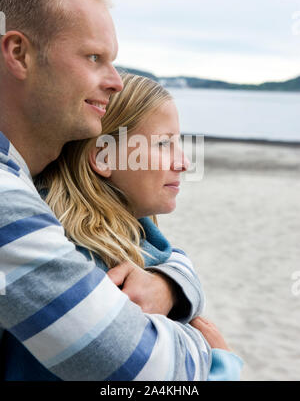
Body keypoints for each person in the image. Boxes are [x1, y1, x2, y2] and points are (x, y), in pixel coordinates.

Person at [0, 0, 224, 381]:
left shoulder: (25, 185)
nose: (116, 81)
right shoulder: (15, 205)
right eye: (94, 57)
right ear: (18, 53)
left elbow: (171, 255)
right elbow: (134, 368)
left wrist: (172, 284)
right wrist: (219, 359)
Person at [35, 73, 243, 381]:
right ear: (104, 155)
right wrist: (223, 367)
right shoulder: (92, 268)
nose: (184, 162)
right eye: (163, 143)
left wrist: (170, 286)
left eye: (179, 143)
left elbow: (175, 257)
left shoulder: (134, 243)